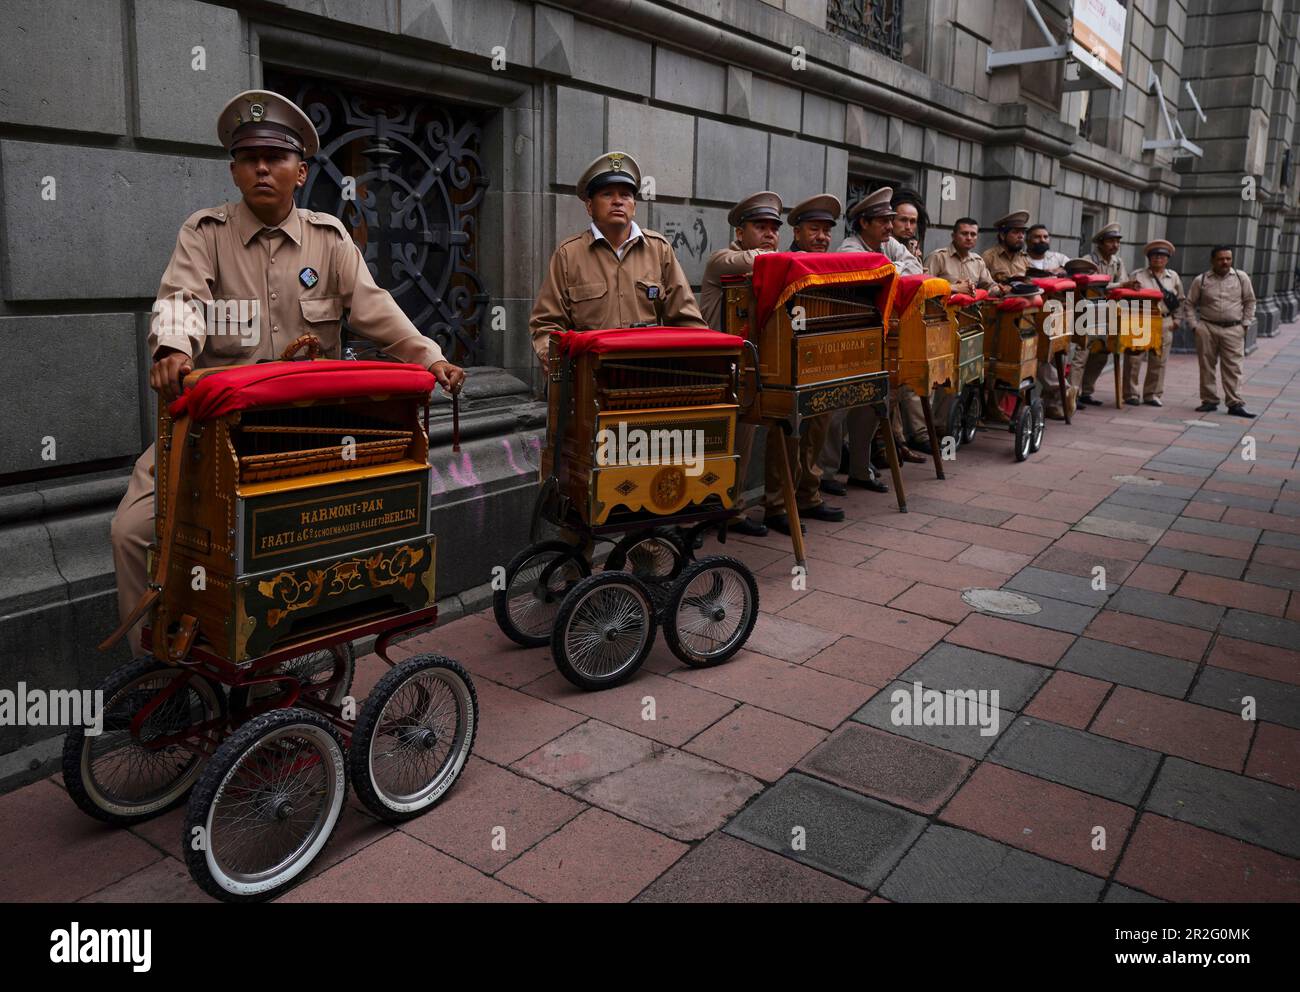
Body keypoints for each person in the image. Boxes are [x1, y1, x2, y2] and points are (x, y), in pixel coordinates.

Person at [109, 90, 466, 655]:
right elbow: (181, 299)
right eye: (249, 158)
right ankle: (164, 673)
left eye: (274, 159)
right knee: (130, 533)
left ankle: (293, 649)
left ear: (299, 172)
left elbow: (379, 312)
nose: (261, 169)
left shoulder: (328, 240)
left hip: (309, 432)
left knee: (320, 526)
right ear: (234, 170)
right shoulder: (204, 234)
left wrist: (432, 358)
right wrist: (171, 349)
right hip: (213, 429)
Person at [528, 151, 705, 365]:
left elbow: (687, 320)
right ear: (590, 206)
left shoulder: (659, 250)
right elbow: (547, 325)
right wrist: (555, 361)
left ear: (634, 206)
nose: (618, 201)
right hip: (588, 377)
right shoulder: (568, 254)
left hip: (649, 376)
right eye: (607, 194)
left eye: (625, 195)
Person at [698, 190, 784, 536]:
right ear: (739, 232)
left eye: (774, 228)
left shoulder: (771, 263)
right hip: (714, 368)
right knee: (712, 445)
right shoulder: (722, 259)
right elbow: (761, 261)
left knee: (742, 443)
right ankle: (700, 513)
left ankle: (729, 510)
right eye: (760, 226)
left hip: (747, 368)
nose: (769, 234)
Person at [763, 194, 847, 536]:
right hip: (787, 361)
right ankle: (777, 505)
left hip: (822, 359)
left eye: (827, 231)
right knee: (787, 434)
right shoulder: (784, 264)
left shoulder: (831, 267)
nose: (822, 237)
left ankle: (809, 495)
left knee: (817, 428)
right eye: (814, 229)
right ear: (796, 233)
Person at [1188, 245, 1257, 417]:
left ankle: (1235, 403)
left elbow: (1250, 301)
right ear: (1213, 260)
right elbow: (1189, 303)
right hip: (1207, 328)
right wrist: (1194, 325)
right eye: (1221, 259)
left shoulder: (1241, 278)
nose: (1225, 262)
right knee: (1206, 366)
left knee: (1233, 367)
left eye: (1228, 258)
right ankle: (1209, 401)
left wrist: (1245, 324)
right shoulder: (1201, 279)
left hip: (1234, 329)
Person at [1121, 240, 1187, 407]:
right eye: (1154, 255)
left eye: (1162, 256)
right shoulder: (1137, 275)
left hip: (1164, 321)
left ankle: (1152, 394)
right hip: (1141, 320)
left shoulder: (1173, 277)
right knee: (1134, 360)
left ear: (1167, 259)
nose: (1158, 259)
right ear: (1149, 258)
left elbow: (1180, 300)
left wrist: (1177, 320)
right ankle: (1131, 393)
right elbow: (1126, 297)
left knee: (1159, 361)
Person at [1073, 222, 1130, 407]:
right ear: (1100, 243)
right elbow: (1091, 285)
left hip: (1108, 313)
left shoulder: (1118, 262)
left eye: (1117, 241)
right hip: (1087, 311)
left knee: (1102, 353)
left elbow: (1124, 283)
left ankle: (1087, 392)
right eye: (1110, 241)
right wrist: (1118, 286)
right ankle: (1071, 394)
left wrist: (1121, 287)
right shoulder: (1088, 260)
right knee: (1082, 353)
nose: (1115, 245)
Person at [925, 217, 1004, 296]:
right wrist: (953, 287)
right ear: (953, 236)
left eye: (973, 234)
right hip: (942, 307)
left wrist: (1001, 290)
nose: (969, 238)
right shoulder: (938, 257)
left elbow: (989, 286)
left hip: (971, 307)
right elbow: (924, 287)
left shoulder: (978, 261)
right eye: (964, 233)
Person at [981, 210, 1031, 283]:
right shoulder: (989, 257)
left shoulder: (1024, 257)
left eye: (1023, 232)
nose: (1021, 236)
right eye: (1016, 232)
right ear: (1003, 235)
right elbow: (982, 285)